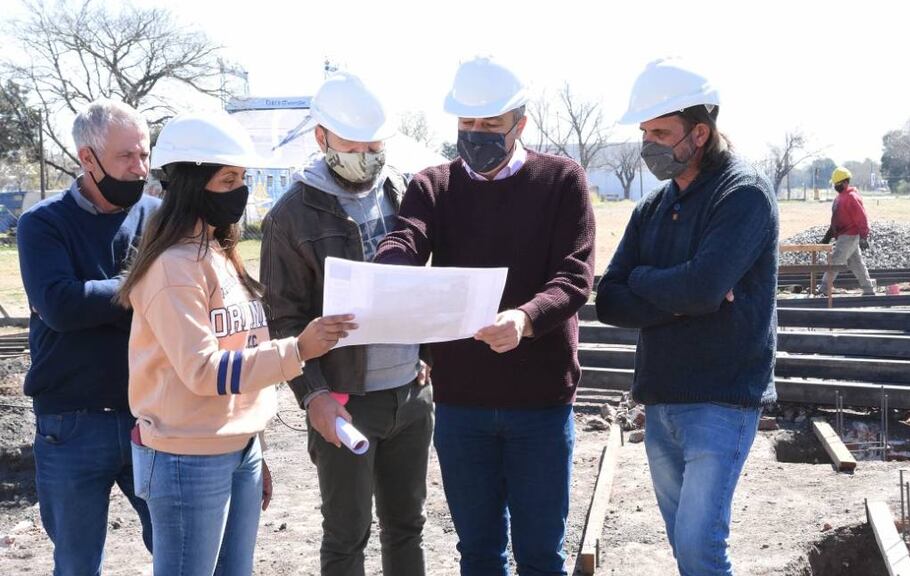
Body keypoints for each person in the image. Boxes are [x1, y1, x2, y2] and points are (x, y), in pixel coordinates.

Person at [374, 56, 596, 576]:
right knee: (477, 552)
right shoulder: (433, 185)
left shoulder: (561, 180)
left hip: (540, 402)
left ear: (520, 123)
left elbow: (574, 276)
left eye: (491, 124)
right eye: (467, 123)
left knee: (541, 554)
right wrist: (391, 265)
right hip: (461, 403)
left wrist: (525, 319)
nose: (476, 134)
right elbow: (408, 236)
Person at [116, 111, 356, 576]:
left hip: (237, 448)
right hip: (187, 456)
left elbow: (242, 348)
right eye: (228, 180)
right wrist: (298, 350)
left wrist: (254, 442)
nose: (240, 192)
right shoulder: (173, 268)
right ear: (191, 184)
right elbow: (204, 371)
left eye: (242, 179)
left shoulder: (220, 253)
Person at [594, 58, 777, 576]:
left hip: (721, 398)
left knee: (701, 549)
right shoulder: (652, 207)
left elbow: (701, 287)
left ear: (700, 132)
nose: (648, 144)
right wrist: (685, 290)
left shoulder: (742, 194)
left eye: (661, 133)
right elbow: (609, 300)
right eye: (645, 132)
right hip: (662, 399)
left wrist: (647, 280)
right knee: (684, 546)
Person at [261, 71, 432, 576]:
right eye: (353, 147)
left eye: (374, 147)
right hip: (344, 400)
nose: (366, 157)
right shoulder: (291, 216)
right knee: (346, 535)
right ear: (322, 138)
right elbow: (282, 318)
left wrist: (427, 355)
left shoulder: (403, 191)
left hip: (411, 394)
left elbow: (427, 283)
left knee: (407, 526)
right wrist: (313, 395)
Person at [17, 99, 157, 573]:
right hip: (71, 423)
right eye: (126, 156)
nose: (139, 168)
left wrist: (96, 297)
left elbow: (182, 297)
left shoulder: (160, 218)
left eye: (144, 154)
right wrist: (142, 288)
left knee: (181, 552)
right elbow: (61, 306)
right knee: (77, 564)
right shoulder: (43, 223)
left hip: (153, 415)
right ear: (87, 158)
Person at [818, 167, 875, 295]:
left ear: (845, 182)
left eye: (837, 184)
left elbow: (861, 217)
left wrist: (864, 236)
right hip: (844, 235)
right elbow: (836, 220)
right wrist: (828, 236)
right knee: (856, 263)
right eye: (834, 184)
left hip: (849, 236)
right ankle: (868, 289)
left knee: (836, 260)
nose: (835, 186)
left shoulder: (851, 197)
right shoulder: (840, 198)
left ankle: (824, 288)